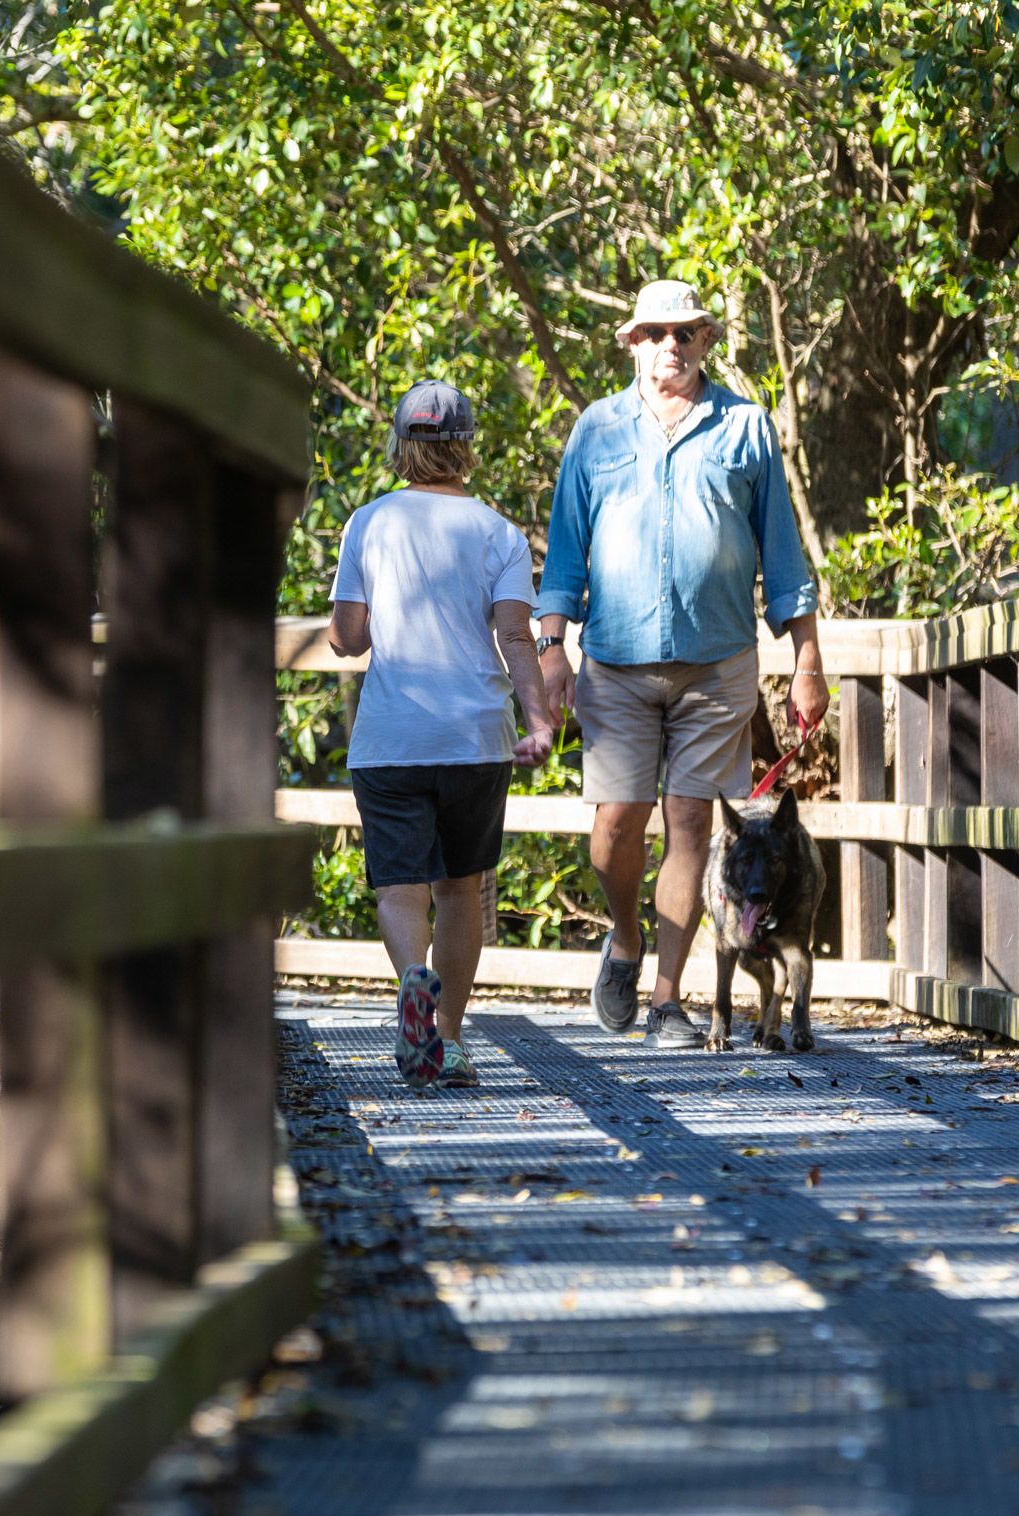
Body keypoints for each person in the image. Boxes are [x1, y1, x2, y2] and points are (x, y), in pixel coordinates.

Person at [535, 278, 828, 1049]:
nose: (672, 344)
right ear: (633, 342)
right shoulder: (596, 430)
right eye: (656, 332)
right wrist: (551, 649)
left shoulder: (745, 427)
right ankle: (626, 941)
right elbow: (564, 553)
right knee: (615, 824)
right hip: (616, 659)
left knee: (693, 822)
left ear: (705, 340)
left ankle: (667, 1000)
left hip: (718, 663)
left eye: (686, 332)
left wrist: (806, 661)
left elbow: (784, 556)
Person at [329, 380, 557, 1089]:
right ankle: (449, 1038)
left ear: (400, 444)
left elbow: (346, 637)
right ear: (466, 448)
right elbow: (515, 637)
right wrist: (540, 719)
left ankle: (412, 982)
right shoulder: (498, 532)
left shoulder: (368, 523)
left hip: (391, 738)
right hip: (474, 738)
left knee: (400, 888)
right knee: (461, 888)